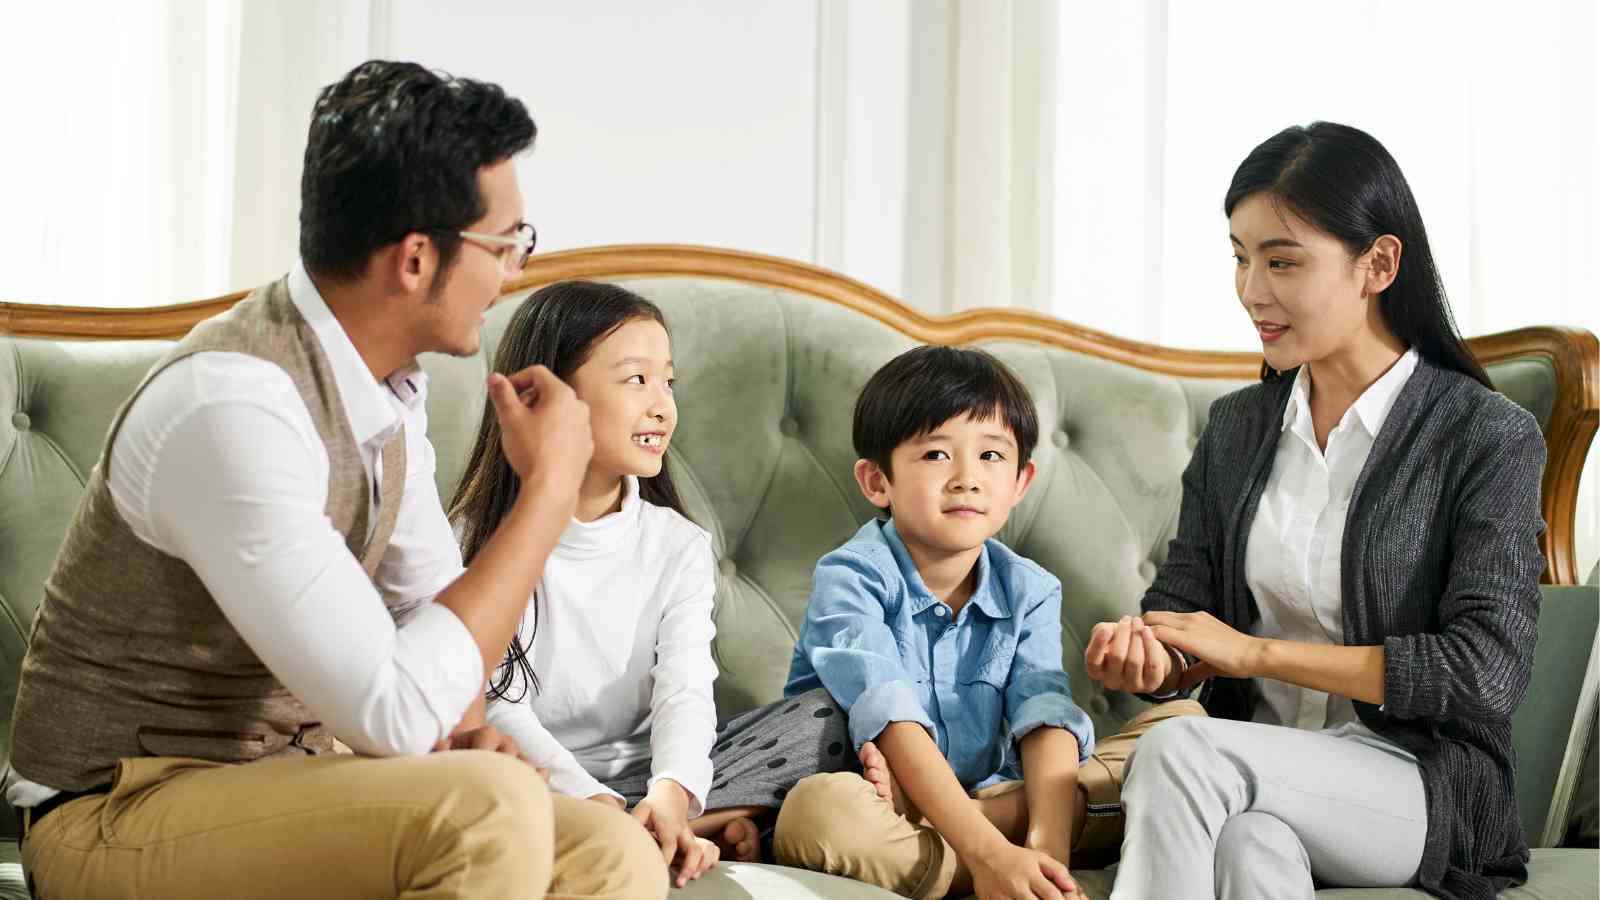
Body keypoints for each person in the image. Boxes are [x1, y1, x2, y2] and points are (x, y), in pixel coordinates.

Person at [6, 61, 665, 900]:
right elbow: (391, 711)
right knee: (482, 806)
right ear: (417, 261)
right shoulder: (232, 405)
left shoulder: (387, 392)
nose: (514, 274)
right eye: (506, 246)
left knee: (612, 851)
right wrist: (546, 492)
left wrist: (468, 734)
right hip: (115, 808)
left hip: (287, 780)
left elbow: (436, 626)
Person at [1084, 121, 1546, 900]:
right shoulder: (1238, 430)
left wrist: (1256, 654)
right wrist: (1150, 655)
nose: (1252, 291)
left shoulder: (1484, 436)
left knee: (1182, 753)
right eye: (1240, 256)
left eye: (1283, 261)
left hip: (1420, 785)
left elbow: (1484, 673)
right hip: (1264, 772)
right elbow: (1182, 612)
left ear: (1379, 264)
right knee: (1250, 847)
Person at [450, 280, 852, 888]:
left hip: (651, 775)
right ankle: (695, 829)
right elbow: (499, 708)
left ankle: (685, 823)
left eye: (669, 381)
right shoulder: (479, 539)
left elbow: (685, 692)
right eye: (637, 380)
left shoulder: (678, 545)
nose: (663, 406)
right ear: (549, 393)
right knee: (472, 770)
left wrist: (669, 796)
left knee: (825, 717)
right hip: (538, 778)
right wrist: (598, 806)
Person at [773, 345, 1202, 900]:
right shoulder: (851, 576)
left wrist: (1048, 850)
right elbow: (889, 715)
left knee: (1187, 729)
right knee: (817, 813)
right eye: (934, 456)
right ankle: (984, 854)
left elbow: (1043, 714)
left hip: (993, 795)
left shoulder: (1030, 587)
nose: (966, 479)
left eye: (991, 457)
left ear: (1021, 481)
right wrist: (995, 855)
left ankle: (984, 836)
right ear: (878, 482)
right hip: (876, 804)